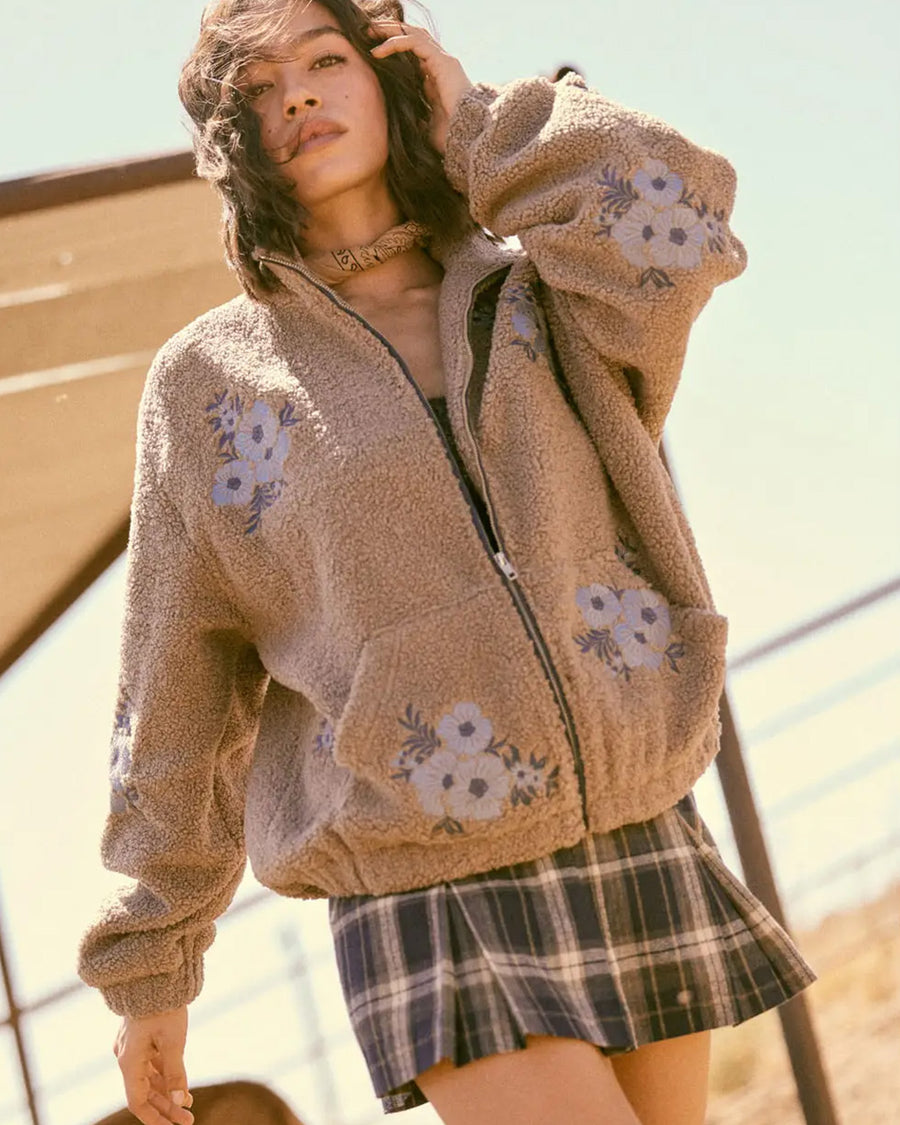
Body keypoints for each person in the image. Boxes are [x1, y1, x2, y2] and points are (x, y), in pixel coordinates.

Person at [77, 2, 817, 1123]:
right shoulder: (209, 385)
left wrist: (474, 117)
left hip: (632, 815)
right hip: (427, 869)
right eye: (262, 87)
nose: (300, 97)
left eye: (328, 62)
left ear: (391, 82)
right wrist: (151, 967)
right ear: (233, 138)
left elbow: (679, 207)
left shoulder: (544, 288)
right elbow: (173, 681)